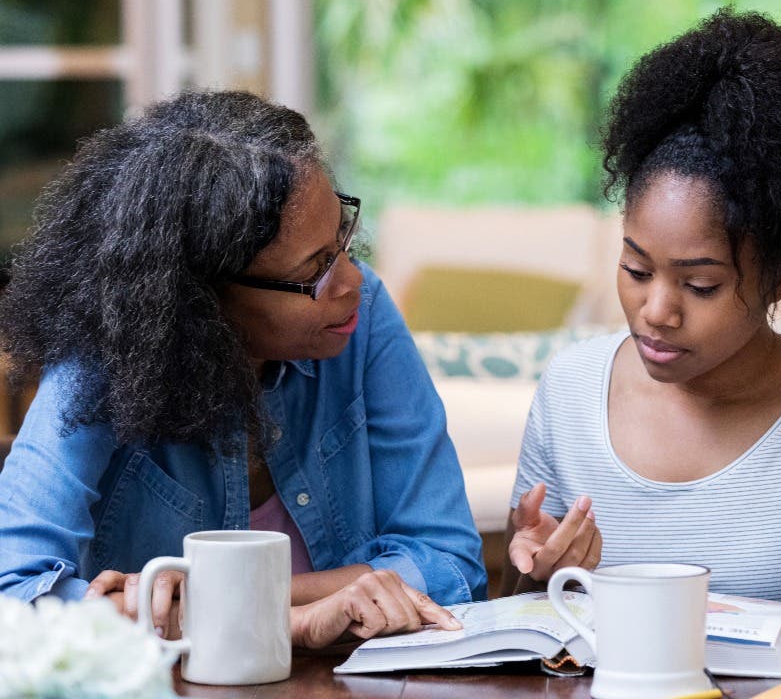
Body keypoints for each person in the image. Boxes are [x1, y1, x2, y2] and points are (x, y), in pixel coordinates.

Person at [503, 9, 781, 630]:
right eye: (636, 270)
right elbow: (520, 620)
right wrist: (539, 569)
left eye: (701, 285)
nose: (656, 312)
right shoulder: (571, 389)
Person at [0, 90, 484, 647]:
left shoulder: (362, 315)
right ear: (201, 300)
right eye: (316, 269)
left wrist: (217, 604)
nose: (352, 281)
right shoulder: (106, 352)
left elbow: (450, 566)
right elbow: (14, 595)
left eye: (342, 241)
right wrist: (305, 614)